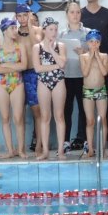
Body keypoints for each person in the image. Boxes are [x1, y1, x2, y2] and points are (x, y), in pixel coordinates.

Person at [81, 0, 108, 149]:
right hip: (86, 65)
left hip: (104, 63)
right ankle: (85, 141)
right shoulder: (80, 14)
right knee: (85, 109)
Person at [0, 18, 28, 159]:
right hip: (1, 84)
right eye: (12, 28)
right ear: (5, 30)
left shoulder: (21, 47)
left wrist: (4, 66)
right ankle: (10, 150)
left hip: (17, 83)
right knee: (5, 118)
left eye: (16, 28)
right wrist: (14, 66)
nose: (16, 31)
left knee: (18, 118)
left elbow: (24, 66)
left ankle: (20, 150)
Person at [32, 17, 67, 160]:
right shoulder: (37, 47)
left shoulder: (61, 46)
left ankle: (60, 150)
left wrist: (52, 51)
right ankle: (45, 151)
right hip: (43, 82)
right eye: (51, 29)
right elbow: (38, 68)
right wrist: (56, 65)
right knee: (45, 117)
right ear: (44, 30)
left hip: (58, 81)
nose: (54, 32)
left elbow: (63, 64)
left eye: (56, 29)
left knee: (59, 116)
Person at [59, 0, 89, 153]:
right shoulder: (61, 34)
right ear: (67, 15)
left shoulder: (88, 32)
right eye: (72, 12)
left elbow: (95, 55)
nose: (75, 15)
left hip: (83, 75)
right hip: (66, 76)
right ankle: (64, 141)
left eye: (78, 12)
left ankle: (85, 140)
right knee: (66, 110)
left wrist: (84, 53)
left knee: (85, 110)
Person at [15, 4, 43, 153]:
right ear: (16, 17)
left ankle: (39, 144)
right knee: (19, 112)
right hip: (18, 74)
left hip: (34, 73)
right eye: (19, 16)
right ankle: (20, 148)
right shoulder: (14, 32)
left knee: (37, 111)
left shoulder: (38, 30)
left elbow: (37, 43)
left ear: (30, 15)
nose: (22, 19)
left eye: (25, 15)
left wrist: (31, 24)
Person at [79, 29, 108, 157]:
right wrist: (91, 57)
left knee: (103, 120)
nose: (94, 44)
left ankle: (102, 148)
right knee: (90, 121)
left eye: (97, 42)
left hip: (101, 90)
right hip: (88, 91)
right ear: (87, 43)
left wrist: (97, 56)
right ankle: (90, 148)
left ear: (100, 43)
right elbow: (85, 73)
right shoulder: (83, 57)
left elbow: (104, 73)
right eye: (91, 42)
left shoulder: (104, 56)